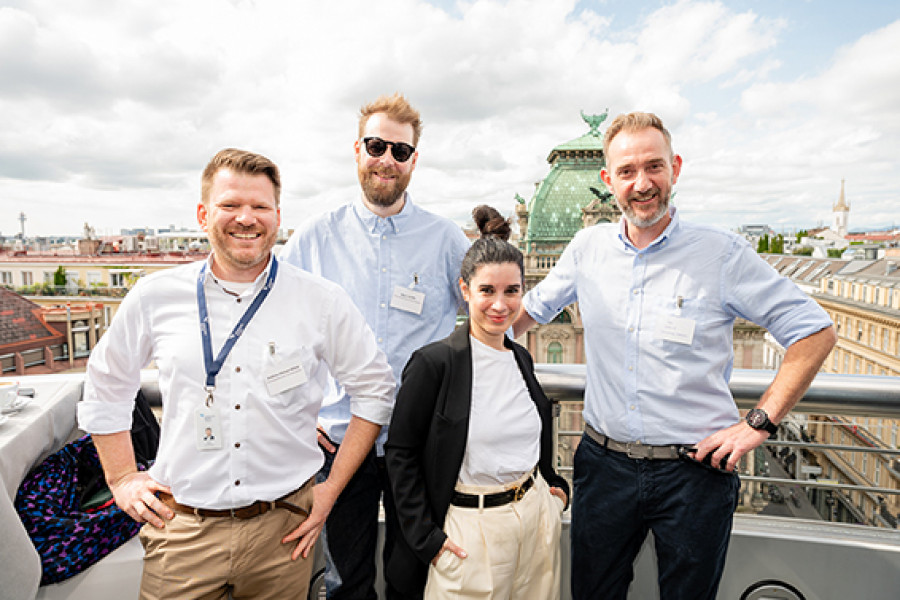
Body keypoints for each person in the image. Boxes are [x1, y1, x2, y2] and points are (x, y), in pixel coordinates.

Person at [514, 112, 837, 599]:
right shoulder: (586, 248)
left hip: (695, 474)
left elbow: (814, 331)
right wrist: (454, 357)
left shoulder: (721, 253)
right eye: (627, 171)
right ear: (608, 180)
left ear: (675, 168)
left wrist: (759, 423)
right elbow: (522, 315)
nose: (642, 183)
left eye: (654, 166)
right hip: (604, 467)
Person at [78, 148, 395, 599]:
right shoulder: (154, 296)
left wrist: (330, 492)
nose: (246, 218)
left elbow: (376, 390)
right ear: (203, 214)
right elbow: (106, 383)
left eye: (260, 206)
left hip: (285, 532)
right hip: (182, 531)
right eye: (230, 205)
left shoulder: (321, 301)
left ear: (278, 217)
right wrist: (122, 478)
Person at [280, 93, 470, 599]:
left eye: (400, 151)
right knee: (346, 582)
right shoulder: (315, 238)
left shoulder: (446, 239)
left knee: (415, 579)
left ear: (413, 161)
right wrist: (296, 412)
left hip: (419, 439)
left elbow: (492, 320)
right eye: (376, 146)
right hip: (338, 439)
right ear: (357, 150)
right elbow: (273, 332)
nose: (387, 159)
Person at [385, 206, 570, 600]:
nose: (500, 305)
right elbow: (400, 453)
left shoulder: (521, 358)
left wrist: (554, 487)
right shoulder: (433, 363)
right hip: (468, 531)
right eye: (487, 291)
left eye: (511, 291)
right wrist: (426, 539)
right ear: (465, 290)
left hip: (535, 522)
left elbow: (531, 435)